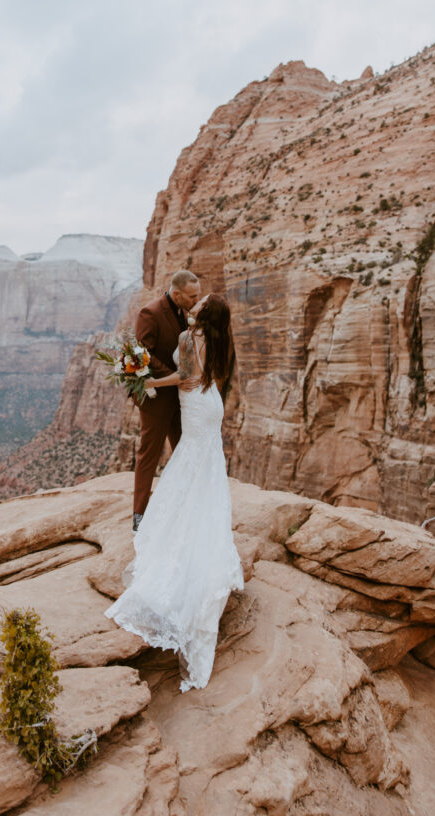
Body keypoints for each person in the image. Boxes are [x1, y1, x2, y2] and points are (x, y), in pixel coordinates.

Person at [105, 293, 244, 693]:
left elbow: (183, 377)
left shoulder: (187, 336)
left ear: (202, 312)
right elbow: (204, 378)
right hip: (210, 405)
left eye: (199, 301)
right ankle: (203, 528)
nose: (195, 302)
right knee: (204, 469)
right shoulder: (220, 337)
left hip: (194, 404)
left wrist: (149, 381)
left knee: (186, 465)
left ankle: (177, 535)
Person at [131, 270, 201, 532]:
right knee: (148, 455)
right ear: (177, 293)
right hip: (156, 398)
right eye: (192, 296)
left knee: (183, 449)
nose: (196, 300)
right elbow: (142, 353)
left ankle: (184, 507)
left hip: (180, 397)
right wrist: (172, 376)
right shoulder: (150, 312)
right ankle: (139, 516)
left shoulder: (186, 312)